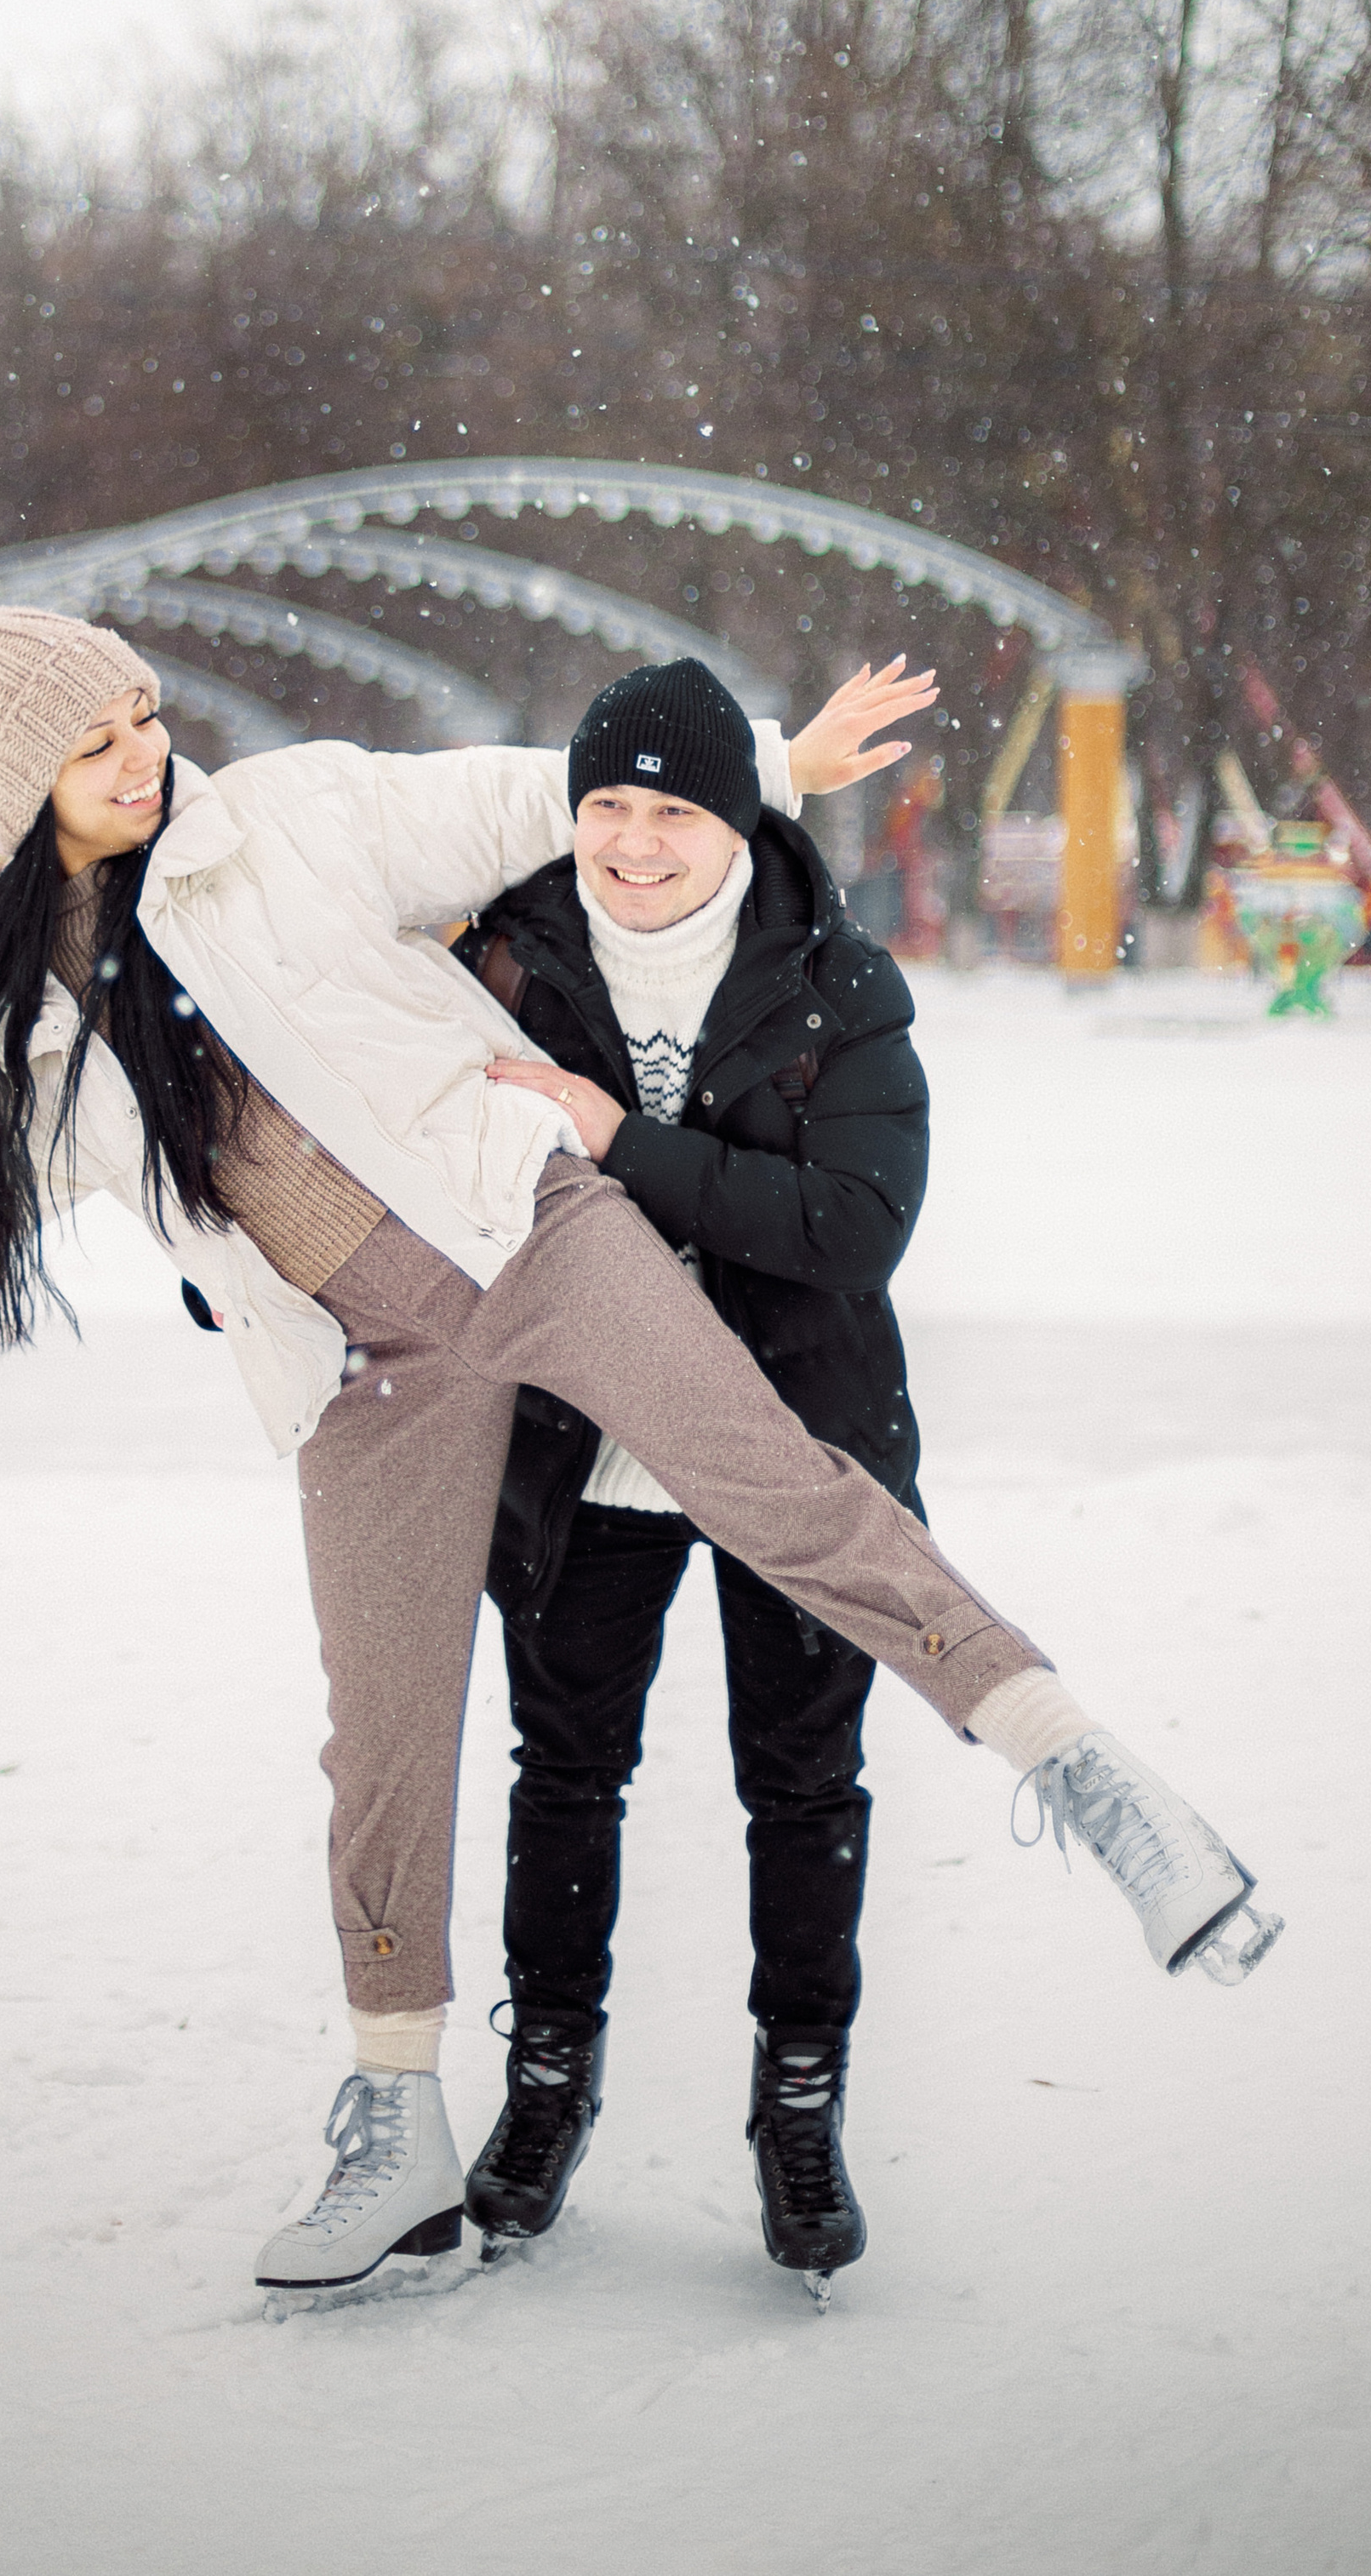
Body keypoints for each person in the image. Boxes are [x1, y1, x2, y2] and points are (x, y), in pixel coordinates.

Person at [0, 609, 1282, 2308]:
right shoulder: (28, 1024)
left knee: (772, 1484)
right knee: (377, 1738)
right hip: (364, 1368)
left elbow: (522, 799)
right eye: (94, 740)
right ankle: (394, 2115)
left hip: (522, 1225)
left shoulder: (285, 819)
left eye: (142, 712)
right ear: (22, 782)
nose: (145, 754)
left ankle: (1081, 1768)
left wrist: (766, 767)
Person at [448, 655, 928, 2298]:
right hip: (579, 1449)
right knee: (563, 1771)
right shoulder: (501, 960)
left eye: (672, 809)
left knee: (801, 1785)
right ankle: (547, 2082)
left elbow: (850, 1232)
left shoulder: (837, 988)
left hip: (796, 1445)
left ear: (740, 819)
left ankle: (800, 2098)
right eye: (606, 805)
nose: (635, 844)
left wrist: (618, 1137)